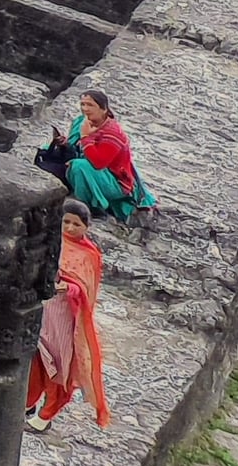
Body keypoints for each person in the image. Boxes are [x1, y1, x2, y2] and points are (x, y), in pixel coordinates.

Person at [28, 203, 110, 433]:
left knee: (59, 366)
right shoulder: (51, 241)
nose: (70, 227)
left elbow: (86, 287)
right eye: (66, 222)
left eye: (77, 224)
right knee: (36, 359)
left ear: (86, 226)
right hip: (43, 310)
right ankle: (29, 404)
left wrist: (70, 288)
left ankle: (46, 415)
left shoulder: (89, 254)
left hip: (66, 319)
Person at [42, 87, 154, 222]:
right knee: (47, 151)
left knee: (79, 166)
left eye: (90, 105)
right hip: (92, 169)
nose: (85, 109)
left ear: (104, 109)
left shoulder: (112, 134)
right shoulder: (82, 122)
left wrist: (85, 137)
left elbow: (98, 163)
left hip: (113, 181)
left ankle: (90, 205)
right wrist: (65, 144)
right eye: (83, 104)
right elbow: (77, 147)